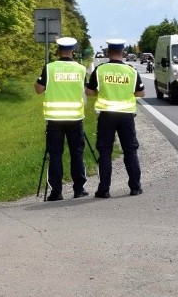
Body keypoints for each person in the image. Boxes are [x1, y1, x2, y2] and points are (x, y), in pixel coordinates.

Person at [85, 39, 146, 198]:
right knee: (130, 151)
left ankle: (104, 189)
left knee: (105, 152)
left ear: (107, 53)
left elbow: (89, 92)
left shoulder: (100, 70)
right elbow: (141, 93)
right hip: (126, 116)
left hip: (107, 116)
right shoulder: (131, 71)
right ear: (123, 52)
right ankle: (135, 187)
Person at [35, 37, 89, 201]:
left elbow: (39, 89)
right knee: (77, 154)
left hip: (55, 119)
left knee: (56, 155)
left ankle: (56, 192)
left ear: (58, 51)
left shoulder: (50, 68)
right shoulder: (81, 69)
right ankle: (79, 189)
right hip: (75, 118)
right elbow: (85, 90)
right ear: (73, 51)